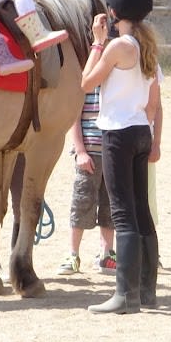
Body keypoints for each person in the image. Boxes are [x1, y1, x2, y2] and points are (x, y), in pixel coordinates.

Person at [82, 0, 163, 314]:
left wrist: (98, 41)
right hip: (140, 129)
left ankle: (124, 294)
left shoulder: (118, 46)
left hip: (118, 132)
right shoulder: (148, 45)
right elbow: (153, 101)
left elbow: (86, 83)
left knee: (122, 213)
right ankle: (146, 290)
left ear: (113, 11)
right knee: (141, 211)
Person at [57, 86, 117, 276]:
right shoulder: (85, 79)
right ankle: (73, 255)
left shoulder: (115, 77)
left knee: (110, 205)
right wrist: (80, 150)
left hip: (113, 151)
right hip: (89, 153)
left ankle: (106, 254)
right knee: (81, 203)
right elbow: (75, 117)